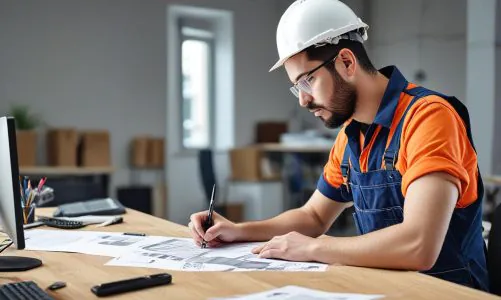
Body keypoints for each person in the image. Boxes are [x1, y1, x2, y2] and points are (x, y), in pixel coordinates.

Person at [188, 0, 489, 291]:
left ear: (346, 62)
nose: (304, 100)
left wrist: (317, 248)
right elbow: (314, 216)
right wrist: (238, 231)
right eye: (297, 88)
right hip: (387, 288)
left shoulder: (428, 118)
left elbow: (419, 245)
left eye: (308, 81)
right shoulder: (350, 136)